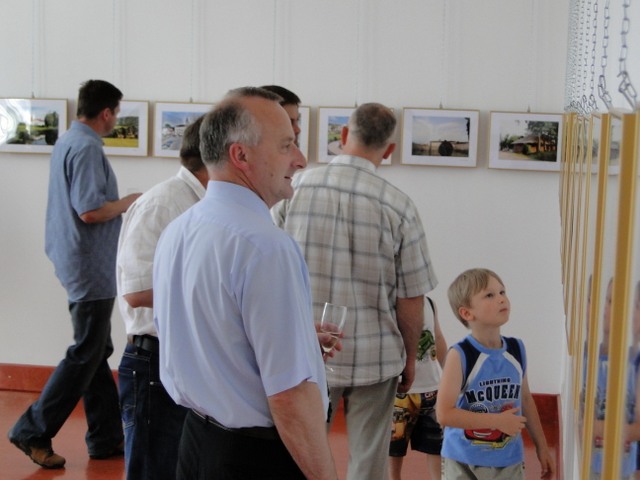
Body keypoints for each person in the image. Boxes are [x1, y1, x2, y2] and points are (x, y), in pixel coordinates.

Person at [152, 86, 338, 480]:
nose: (300, 159)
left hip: (196, 441)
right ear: (241, 156)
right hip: (254, 457)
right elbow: (288, 395)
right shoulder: (266, 246)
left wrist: (298, 339)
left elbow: (214, 336)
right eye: (286, 145)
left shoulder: (180, 229)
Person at [272, 102, 438, 480]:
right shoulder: (399, 206)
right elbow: (411, 296)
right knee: (368, 462)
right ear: (389, 150)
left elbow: (268, 268)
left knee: (302, 456)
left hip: (308, 351)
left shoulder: (294, 188)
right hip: (375, 358)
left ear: (344, 135)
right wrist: (410, 358)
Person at [8, 79, 140, 469]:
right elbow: (90, 210)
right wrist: (129, 202)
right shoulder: (86, 147)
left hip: (78, 259)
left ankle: (105, 437)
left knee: (96, 351)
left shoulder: (68, 140)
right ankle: (32, 430)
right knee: (86, 351)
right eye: (116, 113)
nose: (115, 119)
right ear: (107, 112)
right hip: (89, 264)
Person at [115, 115, 208, 479]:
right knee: (154, 471)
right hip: (154, 360)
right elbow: (137, 290)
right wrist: (217, 299)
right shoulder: (164, 203)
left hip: (183, 358)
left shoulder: (200, 202)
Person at [436, 268, 554, 480]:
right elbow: (444, 414)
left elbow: (526, 400)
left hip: (508, 460)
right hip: (463, 461)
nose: (501, 299)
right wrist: (496, 421)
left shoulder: (517, 349)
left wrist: (542, 447)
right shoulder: (460, 355)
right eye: (490, 295)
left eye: (502, 292)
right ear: (467, 313)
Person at [389, 296, 447, 480]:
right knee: (394, 449)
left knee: (437, 446)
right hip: (400, 393)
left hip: (431, 389)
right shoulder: (390, 304)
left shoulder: (429, 303)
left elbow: (438, 337)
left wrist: (448, 374)